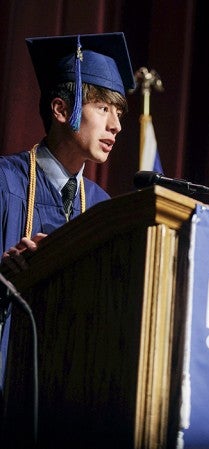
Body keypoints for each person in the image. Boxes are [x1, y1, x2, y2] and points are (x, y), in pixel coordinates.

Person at [0, 32, 135, 388]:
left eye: (118, 112)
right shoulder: (4, 183)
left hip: (68, 393)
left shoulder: (104, 208)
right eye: (103, 108)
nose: (116, 125)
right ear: (61, 109)